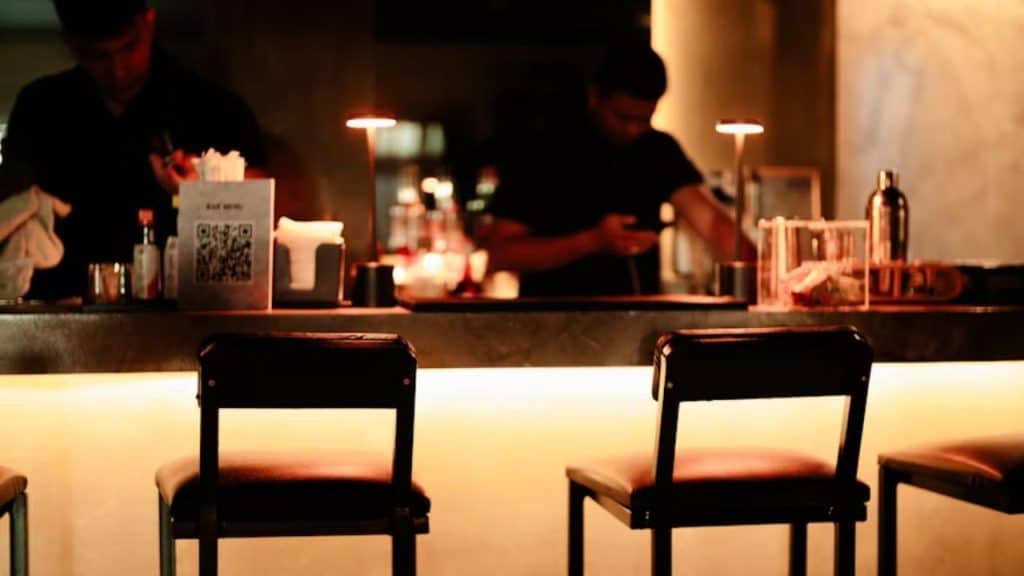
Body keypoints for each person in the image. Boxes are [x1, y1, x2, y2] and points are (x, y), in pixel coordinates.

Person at [0, 0, 266, 300]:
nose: (118, 72)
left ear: (148, 22)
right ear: (70, 43)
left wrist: (208, 188)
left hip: (181, 322)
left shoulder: (211, 108)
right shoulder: (40, 109)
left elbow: (273, 203)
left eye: (129, 48)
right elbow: (9, 209)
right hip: (56, 320)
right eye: (98, 56)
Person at [486, 41, 756, 297]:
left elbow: (711, 223)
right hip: (551, 326)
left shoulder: (657, 149)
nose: (633, 129)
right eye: (622, 117)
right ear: (594, 98)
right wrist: (592, 241)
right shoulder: (544, 149)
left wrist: (765, 269)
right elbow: (502, 253)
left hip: (636, 328)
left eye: (645, 119)